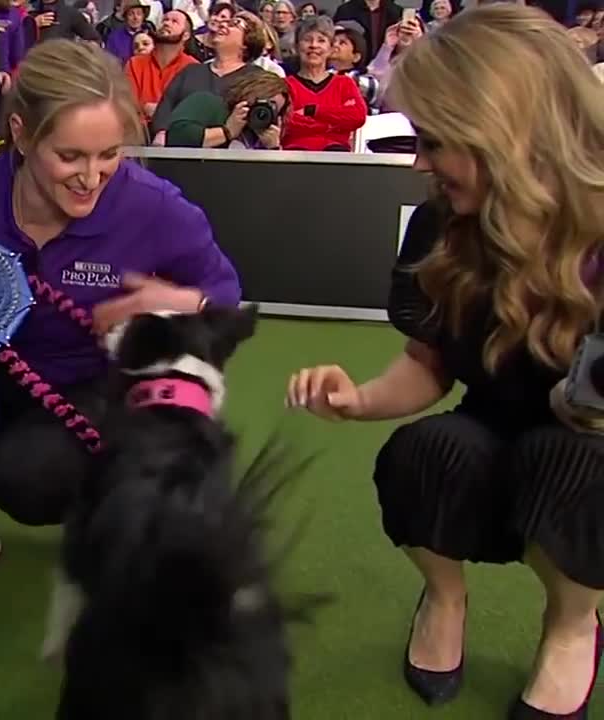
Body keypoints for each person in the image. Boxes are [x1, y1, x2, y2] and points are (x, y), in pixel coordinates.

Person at [286, 6, 604, 717]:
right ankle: (444, 593)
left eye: (436, 140)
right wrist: (359, 399)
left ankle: (572, 624)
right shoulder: (441, 226)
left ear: (507, 130)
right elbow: (429, 361)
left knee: (580, 468)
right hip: (491, 423)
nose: (421, 162)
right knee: (426, 453)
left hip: (588, 449)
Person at [0, 38, 242, 601]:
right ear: (23, 134)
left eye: (110, 154)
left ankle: (112, 509)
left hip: (89, 386)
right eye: (70, 156)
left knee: (29, 484)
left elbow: (224, 299)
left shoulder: (155, 207)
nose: (92, 176)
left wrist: (167, 303)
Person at [150, 10, 271, 144]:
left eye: (234, 24)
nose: (222, 25)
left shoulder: (256, 78)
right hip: (180, 155)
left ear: (247, 43)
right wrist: (162, 133)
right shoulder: (190, 71)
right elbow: (164, 111)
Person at [281, 15, 367, 151]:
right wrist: (331, 125)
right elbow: (287, 123)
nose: (314, 46)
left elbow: (357, 116)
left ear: (331, 49)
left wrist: (313, 111)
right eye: (307, 40)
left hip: (336, 157)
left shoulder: (344, 83)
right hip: (296, 157)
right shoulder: (285, 85)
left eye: (321, 41)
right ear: (297, 47)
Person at [164, 70, 289, 148]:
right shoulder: (208, 102)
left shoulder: (262, 136)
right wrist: (227, 131)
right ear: (251, 90)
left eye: (273, 108)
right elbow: (177, 136)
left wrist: (273, 148)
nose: (263, 110)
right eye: (265, 100)